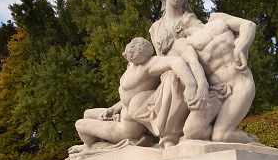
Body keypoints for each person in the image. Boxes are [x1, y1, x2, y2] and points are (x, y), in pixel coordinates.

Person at [68, 37, 209, 154]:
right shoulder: (132, 66)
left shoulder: (149, 65)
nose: (133, 54)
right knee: (87, 113)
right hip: (121, 111)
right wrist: (113, 108)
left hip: (127, 127)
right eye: (132, 50)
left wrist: (191, 85)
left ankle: (89, 147)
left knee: (80, 124)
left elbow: (176, 61)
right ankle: (94, 143)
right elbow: (128, 96)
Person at [173, 12, 256, 143]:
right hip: (217, 90)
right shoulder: (183, 42)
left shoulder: (216, 19)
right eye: (182, 15)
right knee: (192, 131)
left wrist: (240, 47)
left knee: (221, 136)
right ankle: (216, 135)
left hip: (241, 81)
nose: (186, 12)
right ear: (179, 28)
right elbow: (193, 63)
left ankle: (250, 142)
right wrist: (202, 86)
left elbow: (248, 25)